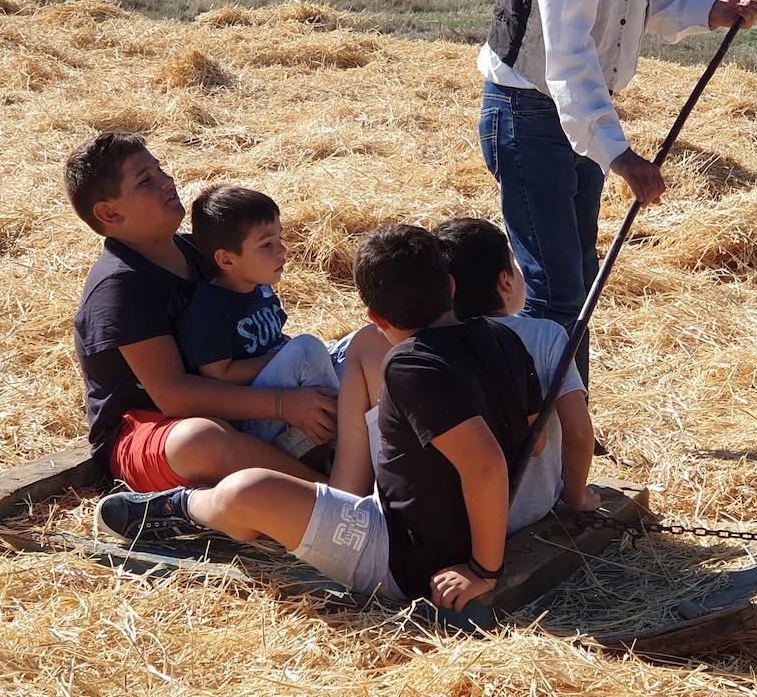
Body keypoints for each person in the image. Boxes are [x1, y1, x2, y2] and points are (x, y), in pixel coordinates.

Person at [477, 0, 757, 387]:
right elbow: (569, 47)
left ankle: (571, 423)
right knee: (554, 288)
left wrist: (713, 10)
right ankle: (539, 432)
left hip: (577, 113)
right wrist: (618, 154)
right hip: (530, 113)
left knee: (578, 278)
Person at [95, 224, 544, 611]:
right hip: (484, 524)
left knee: (250, 490)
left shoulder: (410, 366)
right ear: (450, 288)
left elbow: (485, 464)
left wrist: (484, 569)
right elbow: (533, 441)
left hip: (402, 555)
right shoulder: (506, 339)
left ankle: (184, 508)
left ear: (373, 314)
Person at [65, 132, 337, 491]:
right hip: (153, 429)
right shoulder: (120, 285)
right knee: (203, 441)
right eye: (146, 180)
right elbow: (173, 395)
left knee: (367, 348)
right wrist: (283, 404)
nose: (167, 181)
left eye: (160, 169)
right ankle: (338, 494)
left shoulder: (196, 250)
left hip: (237, 405)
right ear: (110, 213)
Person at [328, 217, 600, 525]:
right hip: (533, 509)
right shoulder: (546, 336)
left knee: (363, 345)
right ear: (505, 281)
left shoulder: (432, 346)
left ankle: (344, 490)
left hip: (461, 521)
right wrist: (576, 496)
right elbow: (577, 431)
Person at [179, 183, 368, 462]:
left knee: (362, 342)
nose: (282, 251)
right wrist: (285, 355)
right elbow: (219, 374)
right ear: (226, 259)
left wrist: (290, 352)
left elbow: (275, 341)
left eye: (279, 239)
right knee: (307, 348)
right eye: (266, 245)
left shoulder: (260, 289)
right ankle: (348, 449)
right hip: (259, 419)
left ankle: (368, 429)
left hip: (287, 398)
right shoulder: (210, 305)